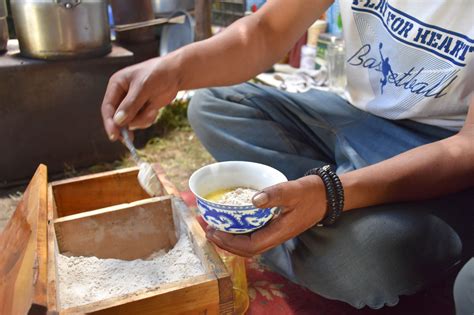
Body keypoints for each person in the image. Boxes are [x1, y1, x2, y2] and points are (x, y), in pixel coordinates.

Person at [101, 0, 474, 310]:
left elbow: (466, 147)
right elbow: (264, 32)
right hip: (358, 119)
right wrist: (174, 70)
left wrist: (331, 191)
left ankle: (331, 215)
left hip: (442, 149)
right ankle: (331, 211)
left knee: (362, 263)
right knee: (215, 105)